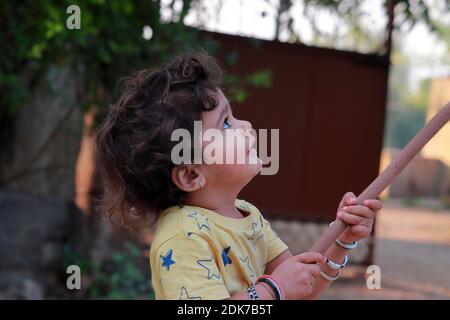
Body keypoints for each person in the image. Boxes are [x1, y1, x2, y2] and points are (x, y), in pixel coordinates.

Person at [95, 49, 383, 300]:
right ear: (192, 174)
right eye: (225, 125)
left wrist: (341, 240)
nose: (245, 125)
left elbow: (302, 289)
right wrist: (274, 291)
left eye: (232, 116)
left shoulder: (248, 217)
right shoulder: (183, 237)